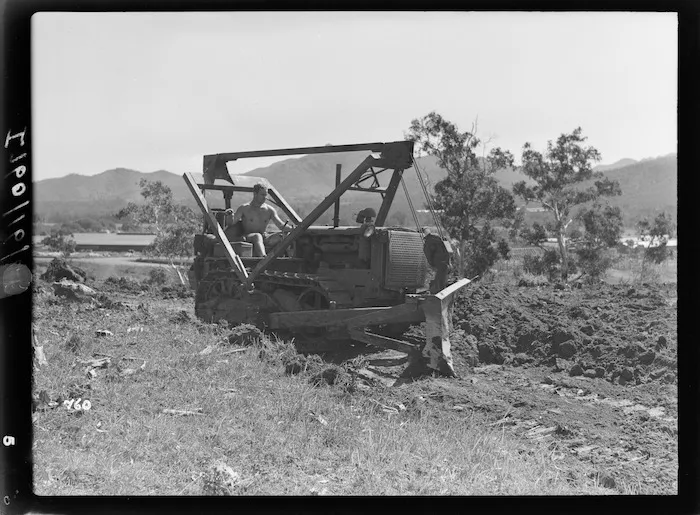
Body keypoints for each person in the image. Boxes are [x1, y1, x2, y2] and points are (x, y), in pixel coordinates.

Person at [230, 183, 294, 257]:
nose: (265, 197)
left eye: (266, 195)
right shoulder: (244, 208)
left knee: (285, 236)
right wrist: (230, 216)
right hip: (249, 237)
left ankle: (288, 259)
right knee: (257, 236)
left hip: (265, 237)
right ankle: (263, 258)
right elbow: (231, 222)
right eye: (262, 195)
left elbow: (280, 225)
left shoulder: (269, 210)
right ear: (255, 194)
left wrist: (292, 229)